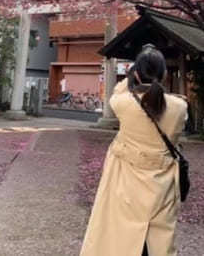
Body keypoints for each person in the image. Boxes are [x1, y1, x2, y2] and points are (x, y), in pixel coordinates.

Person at [80, 45, 188, 256]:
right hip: (162, 182)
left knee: (123, 233)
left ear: (136, 74)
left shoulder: (121, 103)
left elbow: (118, 91)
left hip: (127, 180)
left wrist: (130, 78)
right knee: (159, 238)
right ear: (165, 74)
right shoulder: (179, 107)